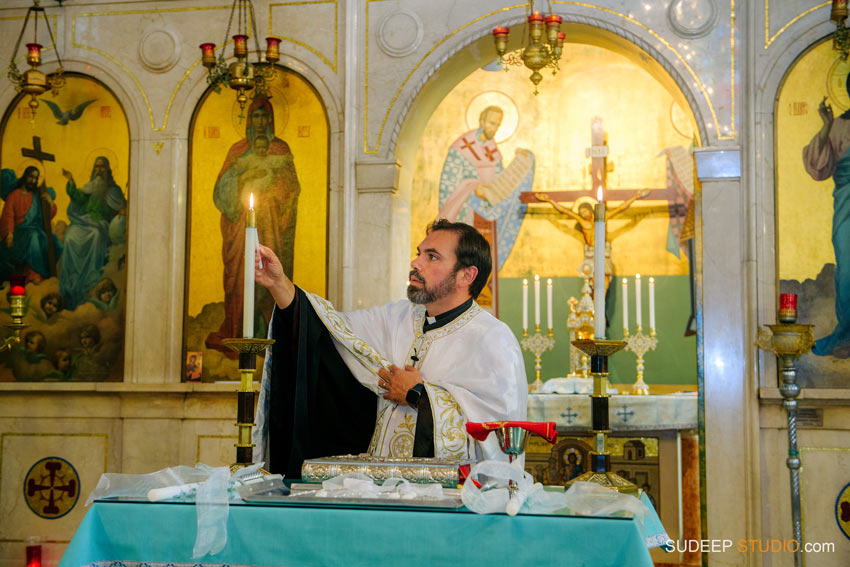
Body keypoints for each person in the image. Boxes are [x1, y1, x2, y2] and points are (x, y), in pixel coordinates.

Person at [252, 220, 527, 478]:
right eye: (419, 253)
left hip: (449, 501)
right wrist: (279, 284)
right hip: (380, 485)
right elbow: (328, 331)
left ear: (467, 275)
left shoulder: (492, 339)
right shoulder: (397, 317)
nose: (415, 263)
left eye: (432, 257)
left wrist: (420, 395)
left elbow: (498, 440)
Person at [205, 97, 301, 357]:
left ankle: (272, 333)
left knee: (269, 277)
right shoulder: (237, 151)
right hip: (239, 229)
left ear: (270, 121)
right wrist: (243, 178)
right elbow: (221, 192)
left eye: (264, 117)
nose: (260, 122)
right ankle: (237, 329)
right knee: (239, 277)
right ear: (249, 121)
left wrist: (271, 197)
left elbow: (291, 188)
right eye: (255, 116)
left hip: (272, 229)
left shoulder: (281, 149)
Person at [437, 106, 534, 305]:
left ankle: (481, 294)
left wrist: (520, 167)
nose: (495, 128)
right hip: (465, 213)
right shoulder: (461, 148)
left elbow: (500, 183)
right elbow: (449, 186)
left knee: (484, 260)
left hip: (488, 217)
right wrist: (474, 189)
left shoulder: (492, 150)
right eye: (492, 123)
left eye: (498, 124)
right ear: (481, 121)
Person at [803, 94, 850, 357]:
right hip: (847, 204)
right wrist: (825, 124)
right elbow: (818, 167)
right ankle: (846, 335)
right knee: (847, 269)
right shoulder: (839, 125)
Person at [60, 157, 127, 310]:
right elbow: (77, 197)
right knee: (70, 236)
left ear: (108, 170)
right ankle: (71, 283)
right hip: (84, 221)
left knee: (95, 235)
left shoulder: (113, 190)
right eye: (97, 167)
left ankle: (89, 282)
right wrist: (70, 181)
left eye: (102, 167)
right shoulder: (91, 186)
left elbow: (123, 207)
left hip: (101, 223)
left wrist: (122, 211)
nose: (99, 170)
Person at [0, 166, 63, 284]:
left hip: (36, 230)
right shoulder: (14, 195)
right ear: (25, 176)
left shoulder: (37, 196)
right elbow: (8, 215)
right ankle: (35, 274)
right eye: (31, 177)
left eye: (35, 178)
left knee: (56, 242)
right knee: (33, 236)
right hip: (19, 233)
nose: (33, 181)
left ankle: (44, 274)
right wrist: (9, 233)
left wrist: (50, 202)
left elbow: (47, 216)